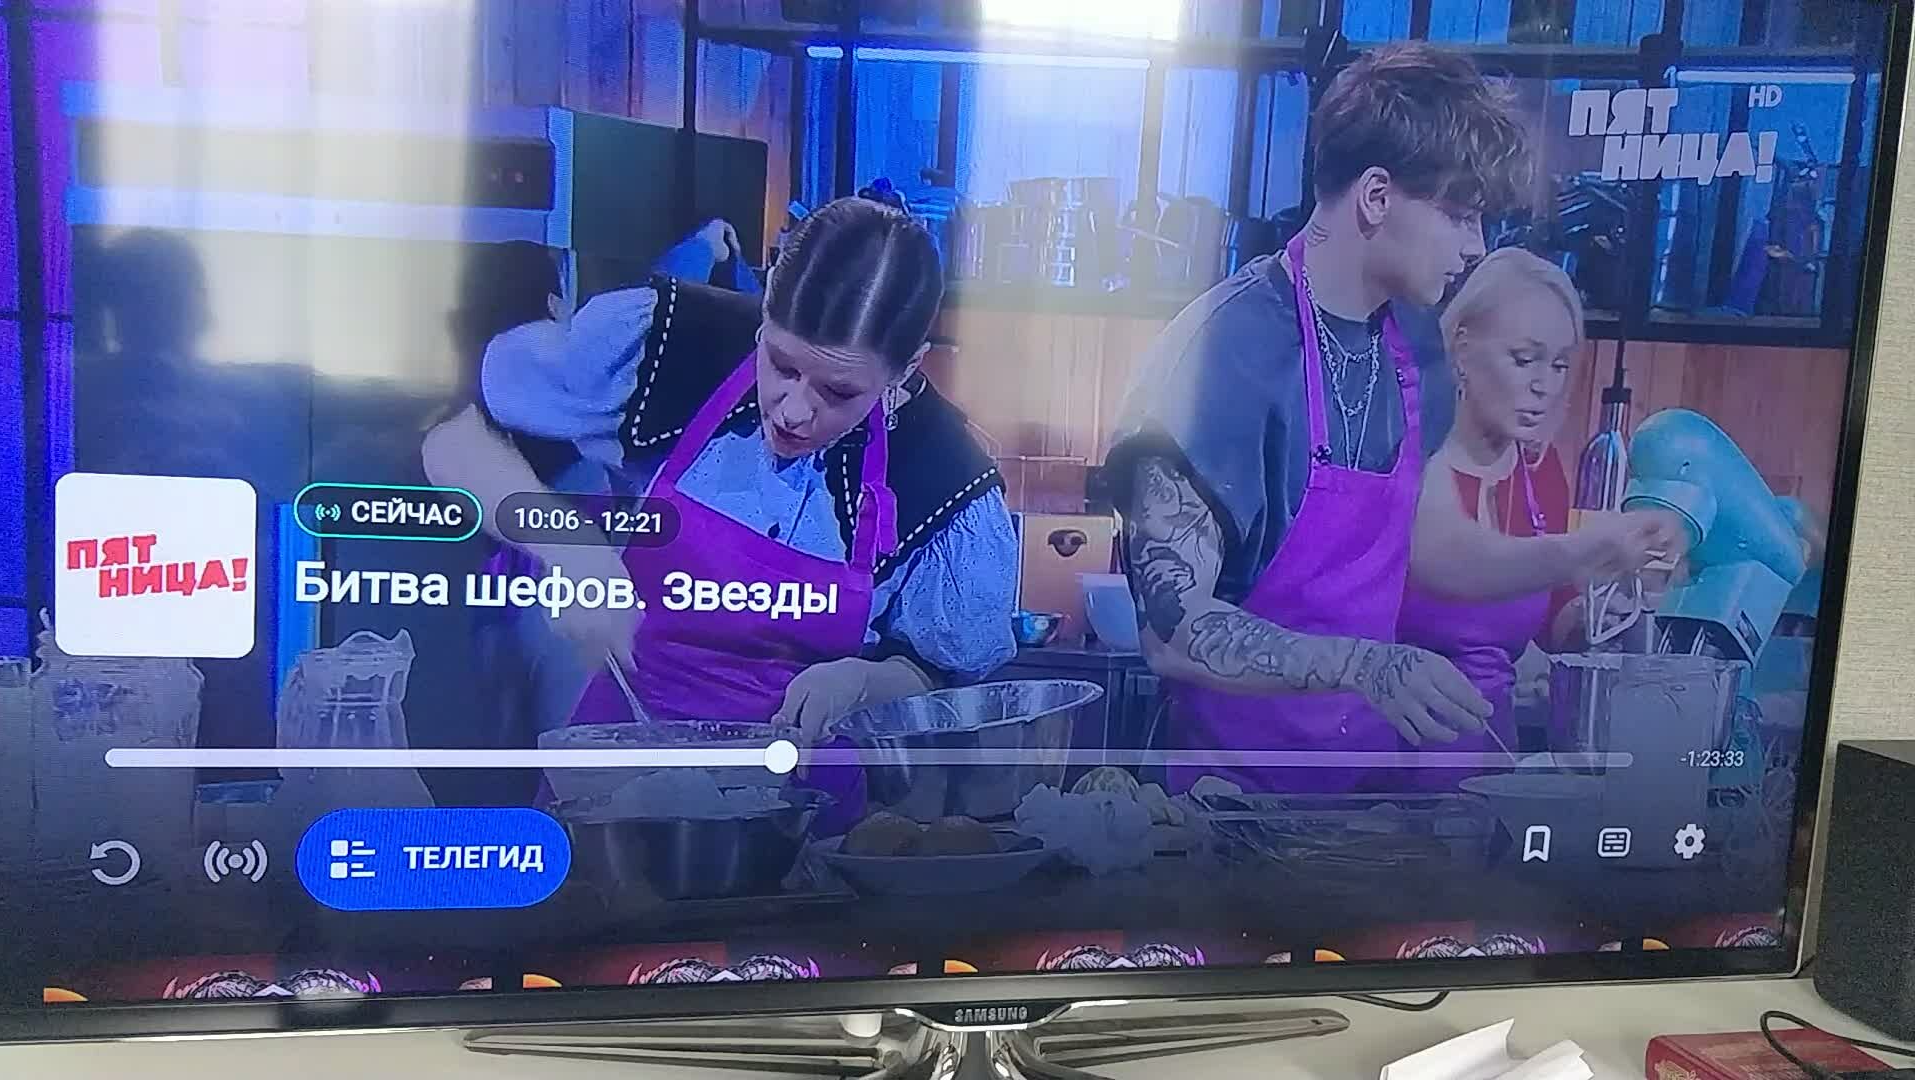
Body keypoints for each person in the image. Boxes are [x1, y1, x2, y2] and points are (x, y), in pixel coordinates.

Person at [1105, 44, 1678, 795]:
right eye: (1459, 216)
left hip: (1362, 804)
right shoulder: (1218, 359)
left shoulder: (1417, 348)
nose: (1475, 247)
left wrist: (1584, 553)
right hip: (1225, 807)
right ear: (1377, 196)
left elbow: (1432, 547)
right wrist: (1364, 664)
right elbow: (1173, 633)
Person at [422, 198, 1018, 820]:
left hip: (800, 819)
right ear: (767, 306)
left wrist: (862, 683)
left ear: (908, 366)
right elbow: (453, 442)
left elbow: (936, 675)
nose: (794, 411)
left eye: (839, 392)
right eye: (781, 364)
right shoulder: (671, 349)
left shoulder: (943, 478)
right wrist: (570, 548)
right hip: (613, 800)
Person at [1390, 248, 1597, 786]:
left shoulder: (1542, 472)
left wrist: (1600, 612)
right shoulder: (1401, 462)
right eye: (1524, 360)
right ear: (1462, 350)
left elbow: (1556, 622)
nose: (1545, 385)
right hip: (1385, 768)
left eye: (1558, 365)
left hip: (1493, 773)